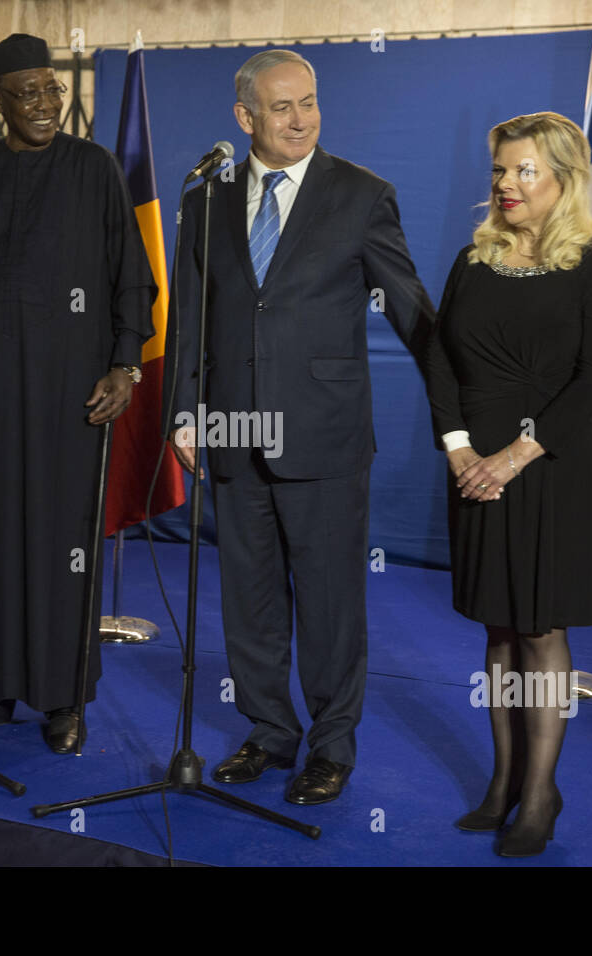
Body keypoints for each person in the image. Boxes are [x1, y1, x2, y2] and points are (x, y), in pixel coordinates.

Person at [166, 49, 434, 805]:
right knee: (248, 599)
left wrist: (472, 396)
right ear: (244, 118)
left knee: (329, 602)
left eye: (309, 102)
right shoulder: (206, 199)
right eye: (282, 108)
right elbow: (190, 314)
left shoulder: (362, 195)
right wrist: (184, 409)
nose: (301, 119)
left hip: (323, 433)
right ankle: (268, 731)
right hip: (233, 430)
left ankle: (331, 746)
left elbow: (412, 310)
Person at [0, 33, 155, 754]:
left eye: (53, 90)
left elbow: (131, 279)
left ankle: (63, 699)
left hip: (71, 390)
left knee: (59, 540)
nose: (45, 105)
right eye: (28, 94)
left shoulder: (95, 168)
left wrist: (124, 365)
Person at [423, 112, 592, 855]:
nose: (506, 185)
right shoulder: (473, 259)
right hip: (474, 465)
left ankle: (541, 792)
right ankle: (505, 778)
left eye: (523, 171)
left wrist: (514, 455)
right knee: (499, 626)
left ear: (563, 180)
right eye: (500, 172)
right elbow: (441, 360)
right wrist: (458, 450)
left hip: (549, 466)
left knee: (540, 628)